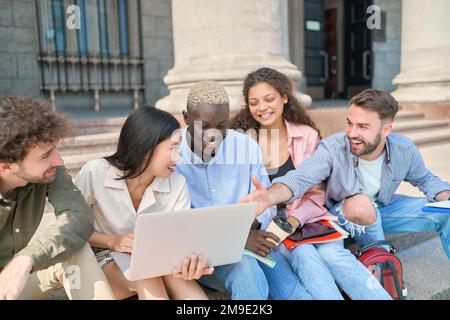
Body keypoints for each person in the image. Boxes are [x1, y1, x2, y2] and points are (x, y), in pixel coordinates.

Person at [231, 67, 391, 300]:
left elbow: (316, 191)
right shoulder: (242, 142)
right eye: (254, 102)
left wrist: (296, 218)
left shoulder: (305, 135)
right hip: (270, 228)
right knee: (305, 255)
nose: (262, 108)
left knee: (336, 258)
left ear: (284, 97)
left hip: (310, 219)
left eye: (269, 99)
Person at [242, 88, 450, 261]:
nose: (351, 132)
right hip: (343, 215)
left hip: (385, 210)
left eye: (362, 127)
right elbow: (300, 178)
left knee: (447, 211)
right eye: (349, 122)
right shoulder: (334, 148)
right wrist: (269, 196)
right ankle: (382, 265)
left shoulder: (403, 149)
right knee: (361, 205)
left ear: (386, 130)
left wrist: (445, 196)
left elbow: (425, 179)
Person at [175, 80, 312, 300]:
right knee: (245, 268)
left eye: (221, 126)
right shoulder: (173, 159)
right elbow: (180, 229)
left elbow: (265, 206)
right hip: (203, 256)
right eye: (204, 125)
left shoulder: (245, 147)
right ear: (186, 118)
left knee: (295, 293)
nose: (213, 135)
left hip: (251, 239)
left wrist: (255, 219)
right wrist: (236, 239)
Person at [75, 107, 213, 300]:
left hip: (156, 258)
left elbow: (179, 239)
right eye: (172, 148)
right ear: (146, 148)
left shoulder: (177, 182)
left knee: (178, 281)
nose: (178, 158)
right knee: (146, 276)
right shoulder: (95, 172)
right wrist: (113, 241)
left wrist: (190, 264)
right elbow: (68, 227)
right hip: (100, 257)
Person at [0, 96, 115, 300]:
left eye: (55, 150)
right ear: (6, 166)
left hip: (19, 281)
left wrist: (26, 258)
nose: (59, 160)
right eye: (45, 156)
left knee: (74, 249)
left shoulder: (49, 170)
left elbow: (78, 217)